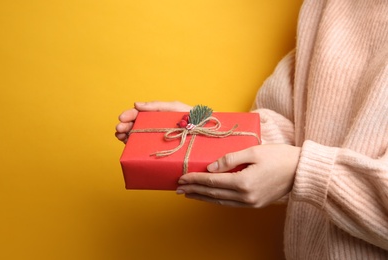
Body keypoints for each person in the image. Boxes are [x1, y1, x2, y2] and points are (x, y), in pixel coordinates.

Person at [115, 0, 388, 258]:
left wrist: (303, 171)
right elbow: (298, 131)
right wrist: (207, 133)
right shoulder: (324, 5)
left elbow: (299, 162)